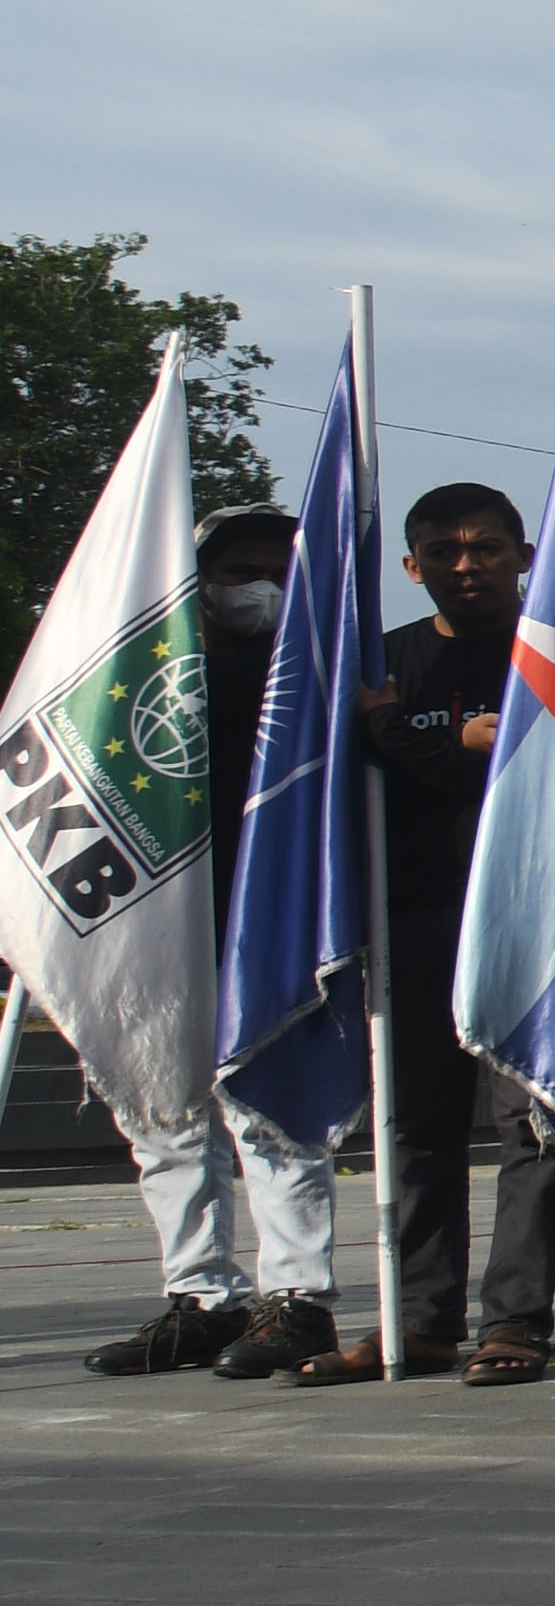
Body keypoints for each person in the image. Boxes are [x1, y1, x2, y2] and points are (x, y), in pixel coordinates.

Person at [290, 484, 555, 1384]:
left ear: (524, 555)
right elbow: (364, 759)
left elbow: (537, 761)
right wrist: (430, 736)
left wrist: (407, 737)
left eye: (487, 547)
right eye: (446, 552)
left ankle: (516, 1323)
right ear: (411, 567)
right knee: (416, 1127)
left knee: (532, 1126)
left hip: (531, 920)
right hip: (412, 921)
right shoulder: (383, 665)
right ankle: (419, 1320)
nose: (468, 565)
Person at [85, 505, 343, 1381]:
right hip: (162, 926)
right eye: (240, 572)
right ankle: (200, 1297)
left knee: (272, 1111)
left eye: (282, 571)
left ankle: (296, 1300)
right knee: (162, 1112)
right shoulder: (145, 678)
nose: (262, 588)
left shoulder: (322, 672)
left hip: (269, 924)